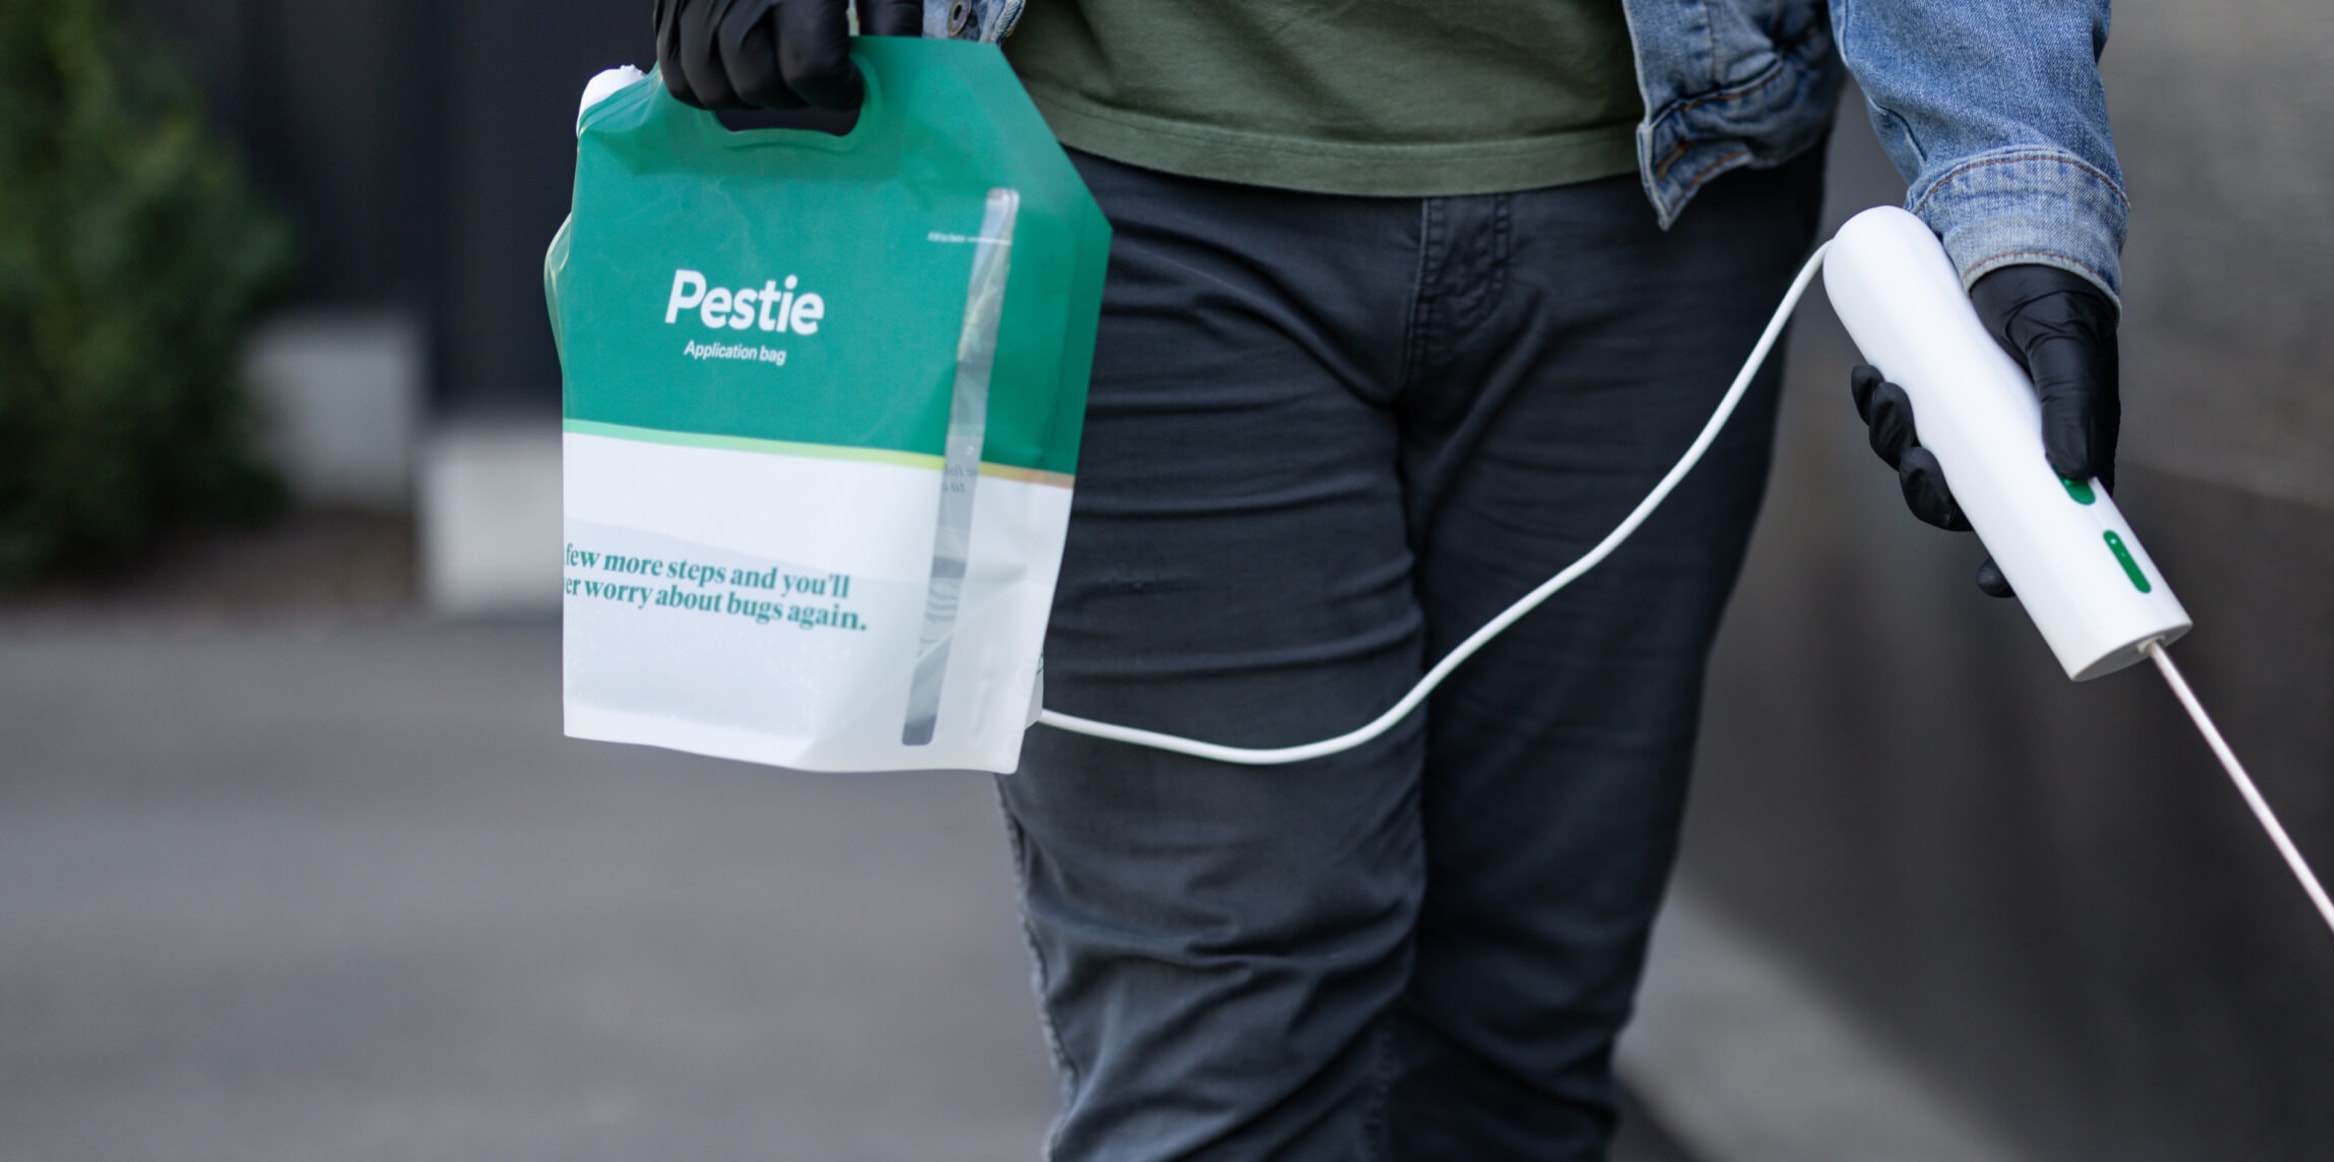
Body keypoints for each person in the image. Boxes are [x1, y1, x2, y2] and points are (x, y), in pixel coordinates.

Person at [649, 0, 2125, 1157]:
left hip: (1663, 204)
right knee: (1224, 1013)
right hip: (1124, 189)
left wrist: (2011, 196)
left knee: (1517, 1034)